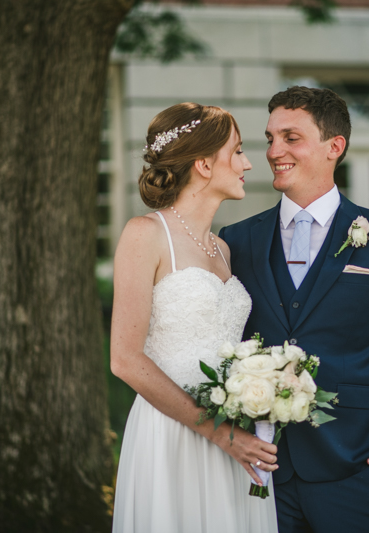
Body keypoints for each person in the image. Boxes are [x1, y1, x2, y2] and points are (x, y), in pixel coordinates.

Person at [219, 86, 369, 532]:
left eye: (291, 138)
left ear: (334, 147)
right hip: (262, 468)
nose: (273, 151)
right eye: (269, 139)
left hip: (357, 464)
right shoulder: (238, 239)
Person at [110, 102, 279, 533]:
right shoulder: (145, 234)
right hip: (172, 436)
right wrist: (221, 434)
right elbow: (125, 360)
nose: (247, 163)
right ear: (204, 164)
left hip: (235, 437)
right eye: (237, 151)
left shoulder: (221, 249)